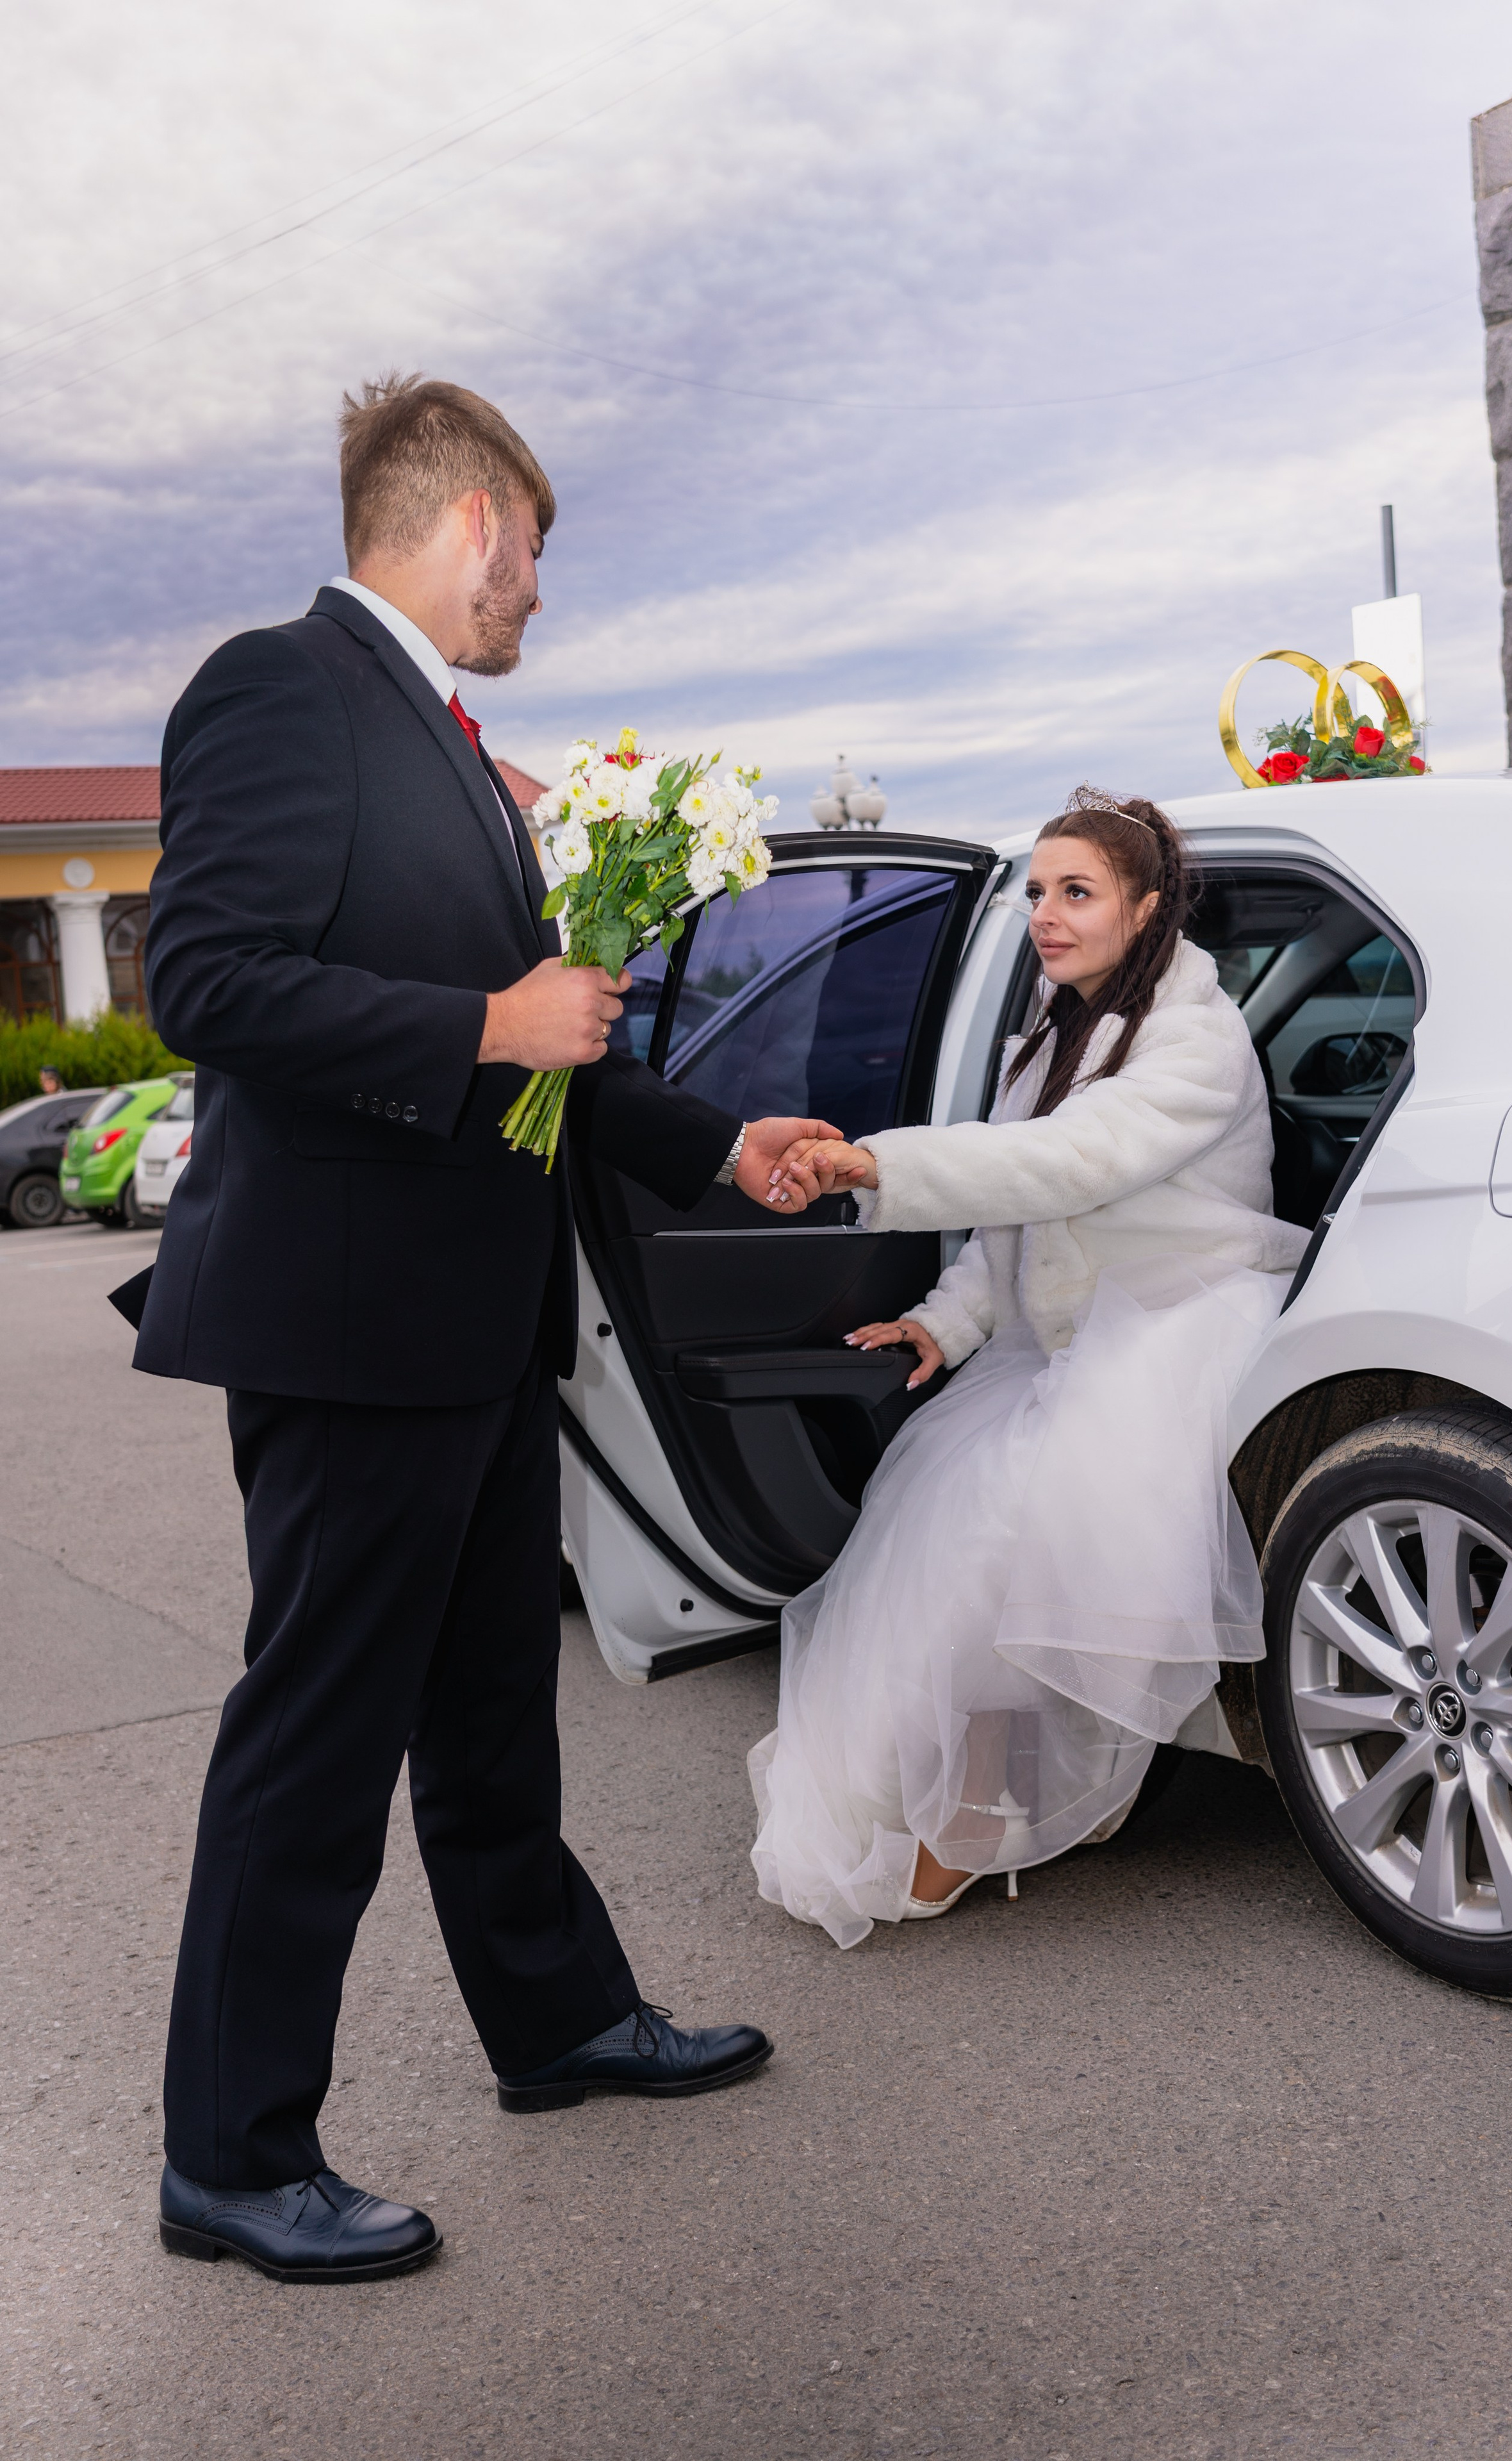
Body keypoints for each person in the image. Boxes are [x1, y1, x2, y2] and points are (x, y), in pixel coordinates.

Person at [112, 374, 837, 2283]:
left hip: (473, 1330)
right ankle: (232, 2153)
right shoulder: (276, 689)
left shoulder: (444, 747)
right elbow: (207, 977)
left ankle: (560, 2023)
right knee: (317, 1746)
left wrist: (720, 1142)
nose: (539, 601)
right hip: (349, 1331)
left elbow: (555, 1054)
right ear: (476, 527)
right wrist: (480, 1030)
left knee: (493, 1720)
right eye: (538, 557)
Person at [748, 789, 1311, 1949]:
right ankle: (998, 1801)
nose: (1046, 917)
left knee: (1005, 1530)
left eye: (1078, 893)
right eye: (1037, 893)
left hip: (1175, 1322)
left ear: (1146, 909)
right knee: (945, 1519)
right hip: (1064, 1331)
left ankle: (982, 1818)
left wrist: (865, 1164)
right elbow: (1010, 1226)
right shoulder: (1047, 1035)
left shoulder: (1195, 1040)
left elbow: (1065, 1165)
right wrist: (945, 1324)